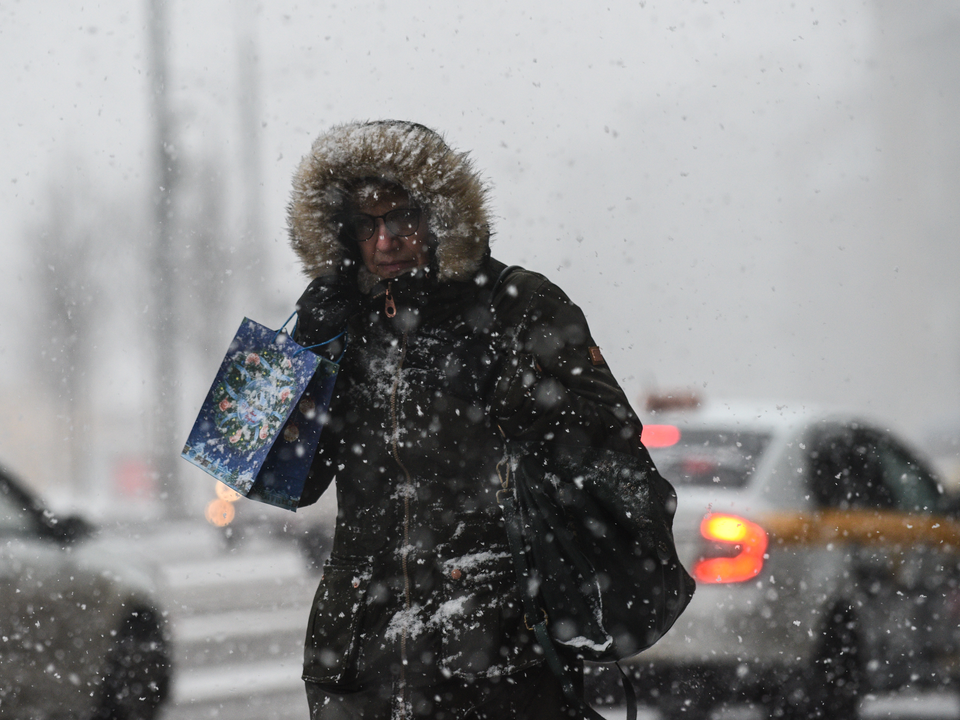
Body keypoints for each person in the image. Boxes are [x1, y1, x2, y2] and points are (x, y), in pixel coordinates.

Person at [287, 121, 647, 720]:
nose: (385, 241)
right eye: (365, 226)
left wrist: (515, 393)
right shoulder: (339, 320)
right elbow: (285, 478)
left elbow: (613, 451)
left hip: (495, 637)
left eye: (402, 219)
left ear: (441, 216)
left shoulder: (518, 304)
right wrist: (306, 355)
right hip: (359, 650)